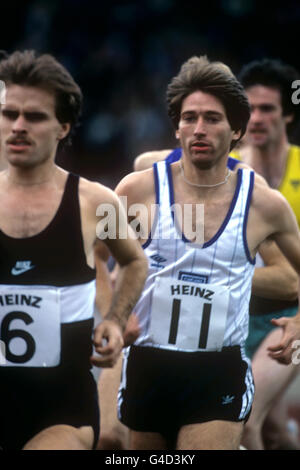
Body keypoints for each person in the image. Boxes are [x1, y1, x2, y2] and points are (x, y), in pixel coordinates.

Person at [108, 56, 300, 450]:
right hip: (147, 366)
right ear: (175, 127)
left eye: (212, 119)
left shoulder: (264, 203)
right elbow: (91, 256)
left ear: (236, 131)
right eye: (189, 117)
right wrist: (113, 313)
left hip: (218, 373)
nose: (199, 129)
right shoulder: (134, 189)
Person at [0, 49, 148, 451]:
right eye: (9, 114)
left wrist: (115, 320)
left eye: (34, 117)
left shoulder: (95, 201)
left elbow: (135, 261)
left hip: (62, 409)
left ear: (62, 126)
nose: (18, 126)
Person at [235, 58, 300, 450]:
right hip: (238, 315)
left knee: (245, 419)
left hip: (292, 318)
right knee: (273, 429)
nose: (255, 118)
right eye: (249, 108)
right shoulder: (225, 171)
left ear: (288, 114)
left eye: (267, 109)